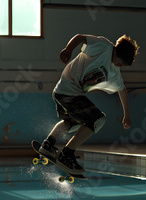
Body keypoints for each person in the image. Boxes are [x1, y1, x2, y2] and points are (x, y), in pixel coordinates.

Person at [39, 34, 139, 175]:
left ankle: (48, 144)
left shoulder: (115, 73)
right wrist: (68, 49)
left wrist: (127, 115)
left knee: (72, 123)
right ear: (115, 51)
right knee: (98, 120)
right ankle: (67, 154)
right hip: (68, 91)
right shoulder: (103, 46)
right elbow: (80, 37)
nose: (120, 66)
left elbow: (122, 90)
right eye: (120, 62)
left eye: (122, 66)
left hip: (63, 94)